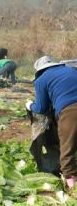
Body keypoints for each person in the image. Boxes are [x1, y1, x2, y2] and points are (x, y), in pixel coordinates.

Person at [30, 57, 77, 192]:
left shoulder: (41, 80)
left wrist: (30, 105)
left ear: (39, 71)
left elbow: (40, 108)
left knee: (67, 147)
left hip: (70, 110)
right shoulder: (70, 70)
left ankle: (72, 186)